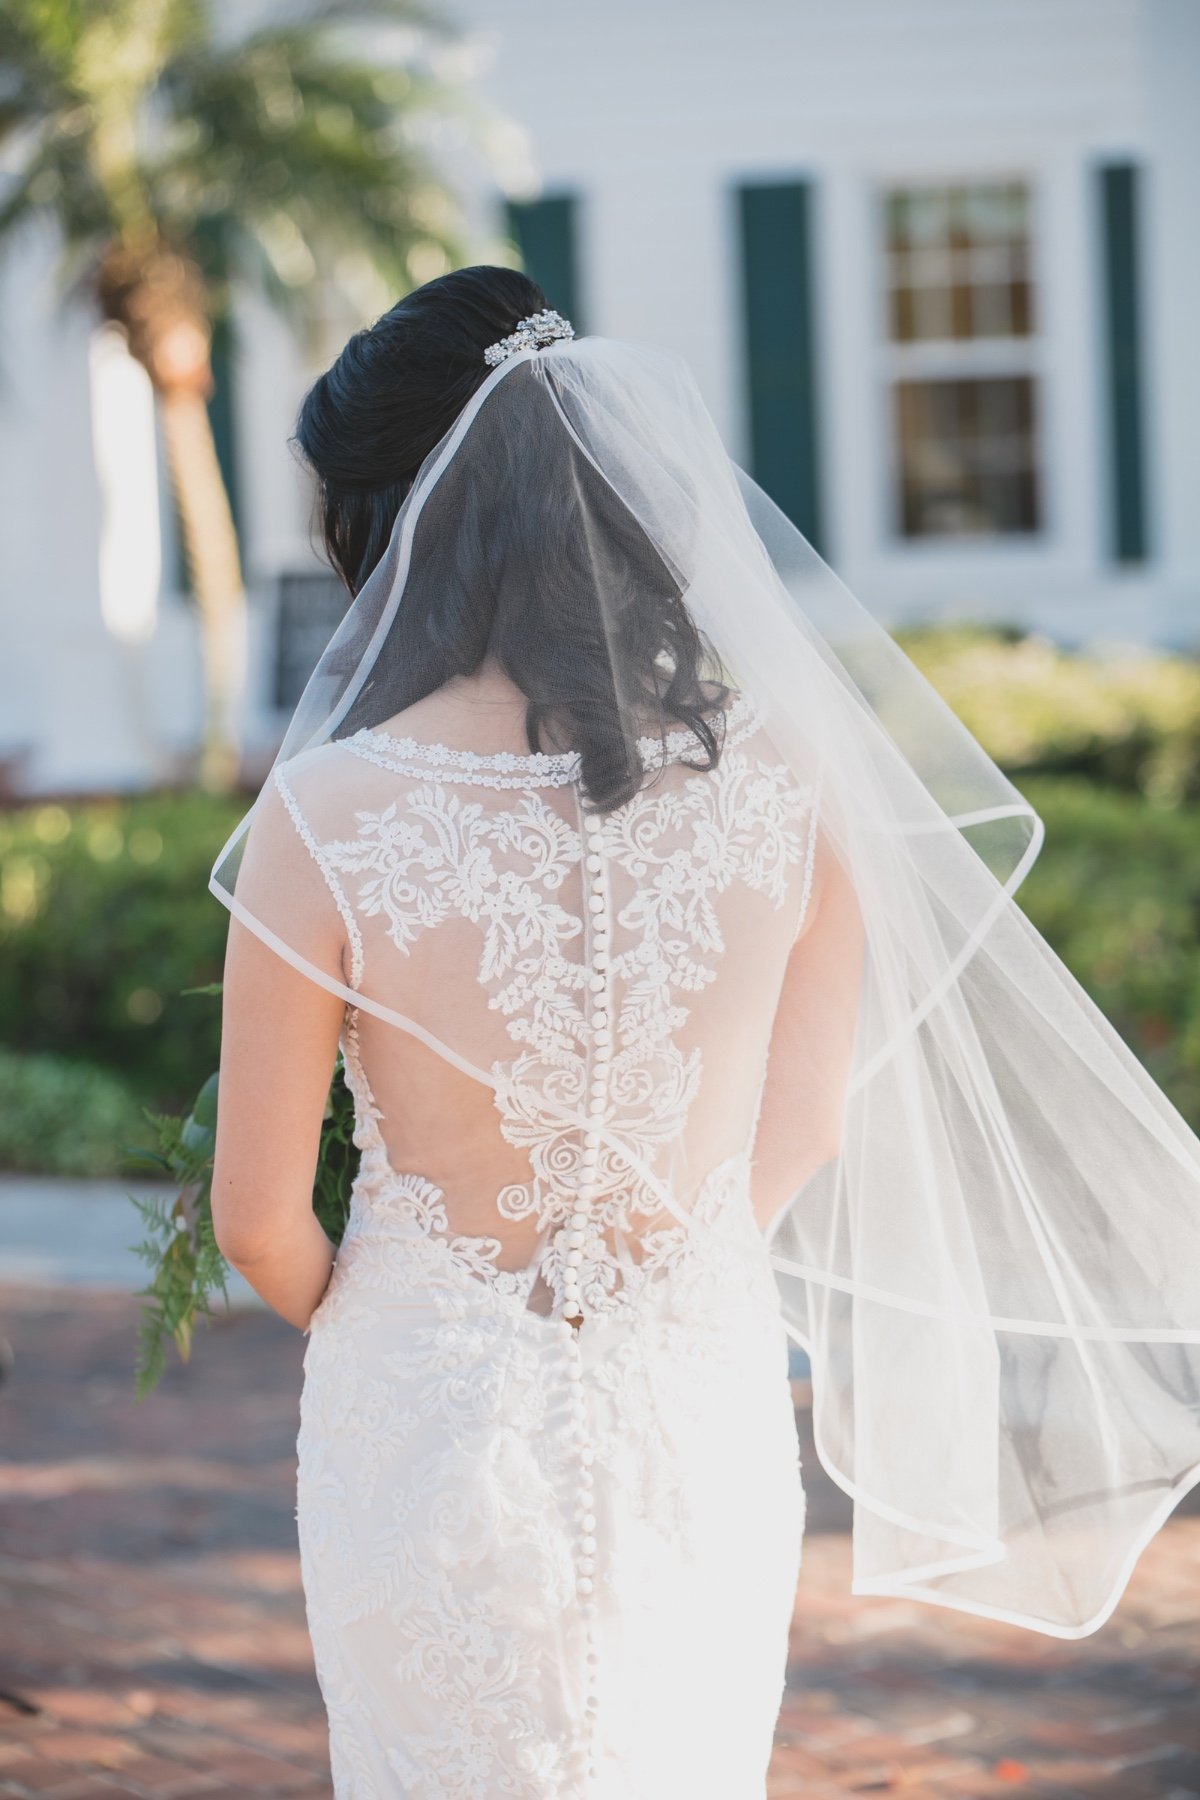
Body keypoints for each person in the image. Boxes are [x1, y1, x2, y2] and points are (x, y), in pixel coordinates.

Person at [209, 267, 1200, 1799]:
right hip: (699, 1391)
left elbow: (261, 1219)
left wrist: (425, 1318)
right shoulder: (796, 777)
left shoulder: (327, 815)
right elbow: (800, 1125)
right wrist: (658, 1291)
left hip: (419, 1414)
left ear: (397, 521)